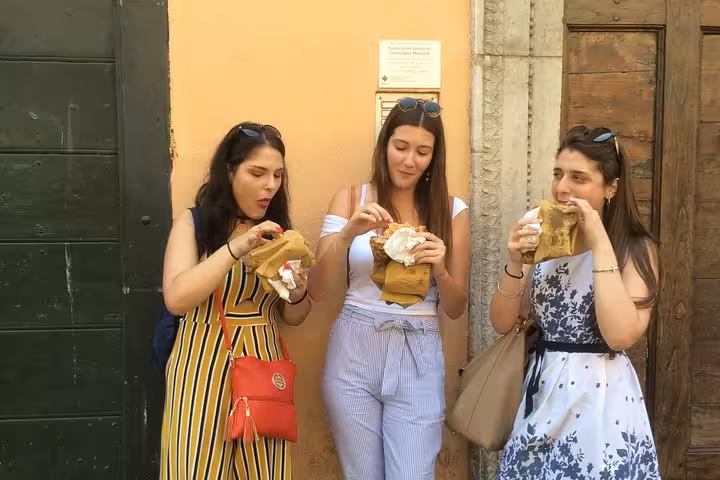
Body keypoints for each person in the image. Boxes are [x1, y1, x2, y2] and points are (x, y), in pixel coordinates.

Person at [309, 97, 470, 480]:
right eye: (400, 147)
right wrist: (349, 232)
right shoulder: (350, 199)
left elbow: (455, 307)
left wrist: (441, 270)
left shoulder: (452, 211)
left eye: (422, 151)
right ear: (384, 146)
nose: (409, 160)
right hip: (354, 347)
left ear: (434, 157)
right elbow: (316, 288)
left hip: (419, 351)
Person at [492, 126, 661, 479]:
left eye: (579, 177)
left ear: (611, 187)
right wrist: (513, 263)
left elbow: (620, 336)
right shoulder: (544, 236)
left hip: (601, 402)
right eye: (558, 173)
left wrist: (599, 242)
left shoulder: (634, 249)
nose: (562, 187)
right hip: (541, 393)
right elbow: (503, 322)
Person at [160, 122, 310, 479]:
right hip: (201, 361)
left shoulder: (281, 232)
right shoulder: (194, 224)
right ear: (229, 171)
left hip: (263, 364)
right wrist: (236, 247)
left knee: (263, 470)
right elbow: (177, 298)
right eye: (257, 173)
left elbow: (295, 316)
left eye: (277, 175)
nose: (269, 185)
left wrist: (298, 290)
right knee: (194, 466)